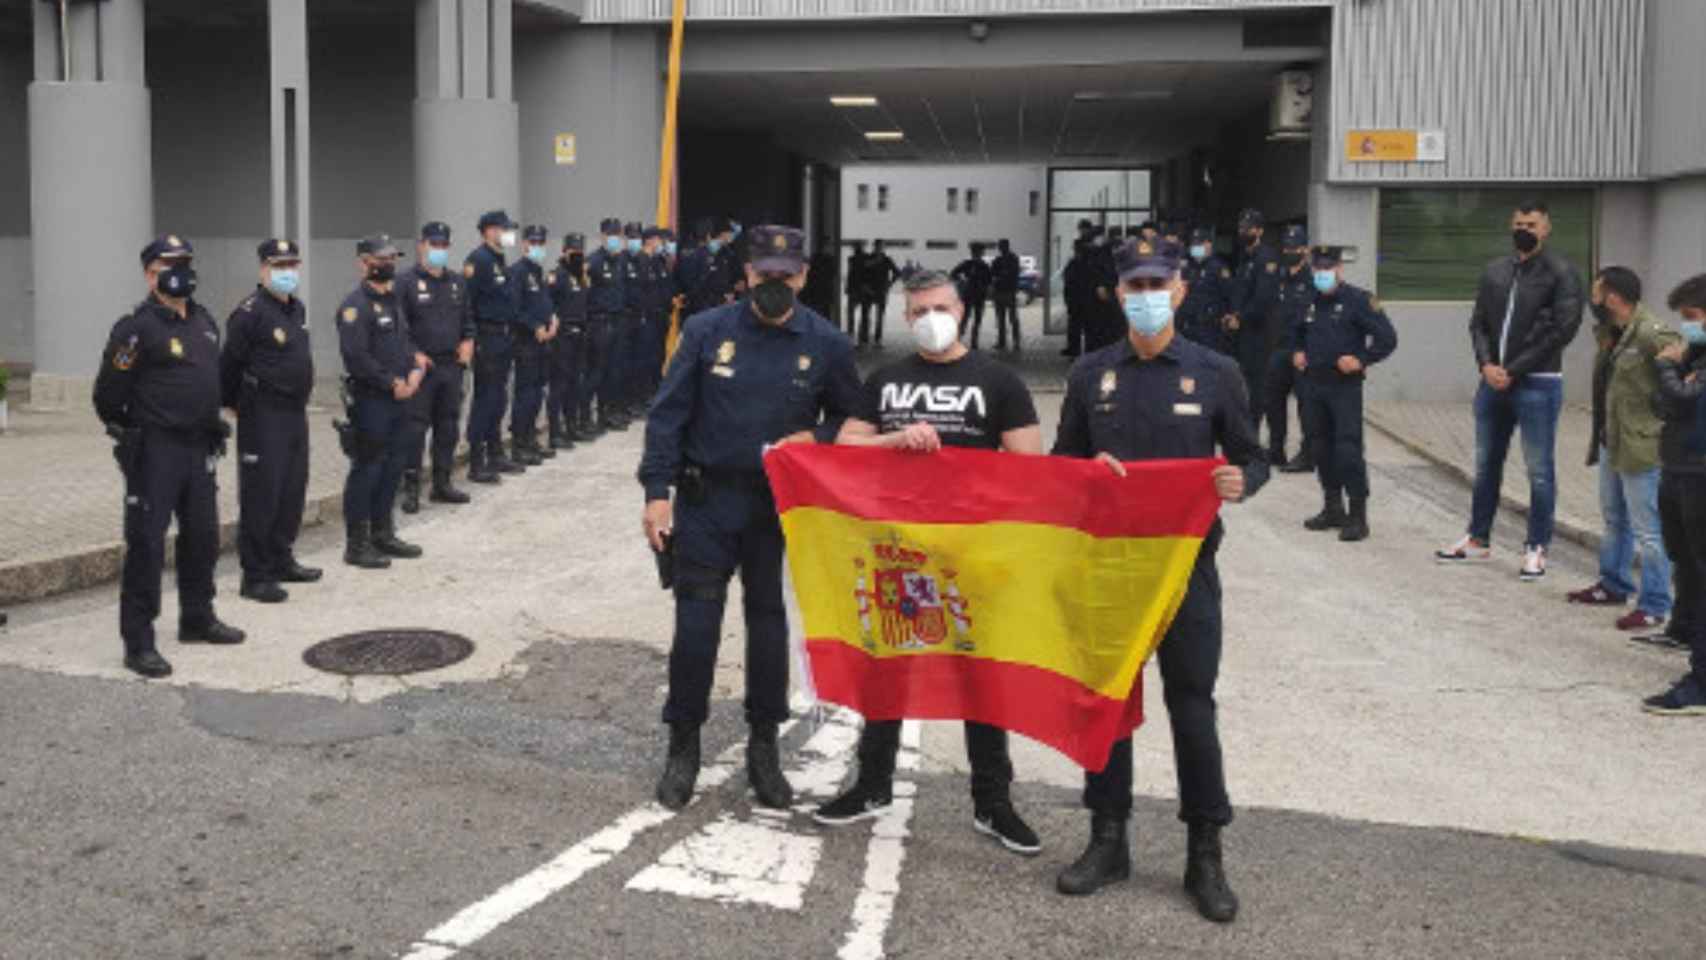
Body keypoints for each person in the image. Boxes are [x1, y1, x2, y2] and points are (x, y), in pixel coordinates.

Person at [1050, 237, 1267, 923]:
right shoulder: (1090, 374)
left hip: (1186, 571)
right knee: (1107, 704)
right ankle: (1107, 840)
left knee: (1193, 707)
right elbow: (1062, 464)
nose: (1145, 294)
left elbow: (1252, 456)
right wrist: (1088, 476)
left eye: (1158, 282)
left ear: (1180, 290)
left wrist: (1242, 480)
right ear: (1118, 293)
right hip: (1110, 570)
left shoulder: (1215, 372)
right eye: (1134, 283)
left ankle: (1205, 853)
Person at [812, 269, 1043, 855]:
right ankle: (871, 786)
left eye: (938, 306)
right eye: (917, 311)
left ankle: (994, 803)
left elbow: (1031, 468)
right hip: (899, 552)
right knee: (888, 666)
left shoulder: (998, 381)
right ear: (906, 318)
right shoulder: (887, 380)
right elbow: (845, 446)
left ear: (961, 310)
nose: (929, 318)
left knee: (981, 678)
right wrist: (894, 441)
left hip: (973, 556)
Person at [639, 225, 862, 812]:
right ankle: (682, 745)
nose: (775, 287)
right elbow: (668, 416)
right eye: (765, 276)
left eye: (786, 277)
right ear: (747, 274)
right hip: (707, 501)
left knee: (767, 628)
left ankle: (764, 747)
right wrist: (656, 492)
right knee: (696, 629)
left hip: (775, 509)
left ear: (804, 277)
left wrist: (815, 434)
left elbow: (852, 419)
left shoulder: (827, 343)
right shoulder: (707, 331)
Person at [95, 234, 246, 678]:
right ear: (150, 273)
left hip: (200, 447)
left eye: (185, 261)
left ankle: (197, 618)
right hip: (155, 451)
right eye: (169, 263)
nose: (179, 268)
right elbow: (107, 396)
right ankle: (138, 642)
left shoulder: (204, 321)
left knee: (202, 537)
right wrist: (135, 435)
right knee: (146, 544)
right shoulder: (135, 328)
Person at [1435, 200, 1585, 579]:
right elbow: (1478, 324)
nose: (1525, 228)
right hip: (1492, 383)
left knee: (1539, 470)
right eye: (1519, 222)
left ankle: (1536, 548)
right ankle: (1477, 539)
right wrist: (1486, 365)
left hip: (1537, 383)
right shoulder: (1495, 271)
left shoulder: (1561, 273)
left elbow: (1561, 330)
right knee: (1486, 465)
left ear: (1547, 228)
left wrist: (1513, 370)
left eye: (1532, 223)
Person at [1566, 267, 1677, 630]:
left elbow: (1683, 361)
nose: (1593, 301)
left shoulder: (1650, 332)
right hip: (1612, 442)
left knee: (1648, 530)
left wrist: (1663, 416)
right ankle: (1614, 584)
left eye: (1597, 293)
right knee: (1615, 520)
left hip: (1640, 447)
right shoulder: (1614, 333)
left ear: (1613, 297)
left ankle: (1656, 603)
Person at [220, 239, 320, 604]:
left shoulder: (297, 308)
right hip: (263, 413)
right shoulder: (248, 313)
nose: (287, 272)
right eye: (279, 266)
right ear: (263, 270)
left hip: (294, 412)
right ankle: (255, 574)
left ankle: (281, 558)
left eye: (292, 265)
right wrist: (231, 402)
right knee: (262, 493)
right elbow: (229, 364)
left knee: (292, 489)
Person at [1292, 246, 1399, 542]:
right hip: (1313, 384)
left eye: (1328, 269)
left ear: (1339, 269)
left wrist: (1361, 359)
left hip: (1343, 388)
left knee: (1348, 450)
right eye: (1317, 269)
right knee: (1320, 448)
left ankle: (1358, 515)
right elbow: (1296, 332)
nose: (1322, 274)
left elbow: (1387, 339)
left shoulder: (1359, 300)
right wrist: (1298, 351)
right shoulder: (1307, 300)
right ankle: (1332, 507)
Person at [338, 234, 429, 569]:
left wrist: (415, 373)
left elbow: (404, 345)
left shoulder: (394, 301)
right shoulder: (354, 306)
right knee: (368, 468)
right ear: (363, 262)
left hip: (402, 397)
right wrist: (391, 382)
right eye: (381, 259)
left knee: (393, 465)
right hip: (373, 400)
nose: (388, 265)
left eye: (392, 258)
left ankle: (383, 531)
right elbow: (356, 357)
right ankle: (357, 543)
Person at [1643, 274, 1706, 714]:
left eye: (1692, 317)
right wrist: (1673, 371)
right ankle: (1684, 631)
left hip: (1700, 472)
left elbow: (1683, 400)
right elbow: (1663, 403)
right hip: (1680, 467)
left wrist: (1668, 369)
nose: (1685, 327)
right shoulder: (1694, 353)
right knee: (1686, 562)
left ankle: (1700, 684)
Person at [396, 221, 474, 510]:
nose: (439, 250)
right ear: (421, 245)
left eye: (443, 245)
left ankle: (442, 483)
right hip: (421, 369)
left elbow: (468, 319)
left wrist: (468, 340)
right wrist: (413, 353)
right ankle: (411, 488)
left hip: (451, 366)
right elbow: (398, 328)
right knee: (415, 429)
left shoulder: (456, 282)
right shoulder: (405, 283)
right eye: (433, 244)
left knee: (448, 426)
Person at [464, 210, 524, 482]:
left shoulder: (499, 260)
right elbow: (468, 304)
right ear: (489, 230)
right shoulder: (478, 261)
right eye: (504, 229)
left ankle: (495, 452)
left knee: (499, 398)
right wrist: (472, 339)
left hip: (503, 336)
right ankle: (477, 461)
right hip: (486, 338)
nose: (508, 234)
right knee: (485, 399)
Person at [1266, 225, 1317, 472]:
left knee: (1305, 405)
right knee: (1273, 402)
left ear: (1305, 250)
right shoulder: (1279, 277)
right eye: (1286, 247)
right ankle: (1276, 451)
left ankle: (1308, 456)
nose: (1289, 251)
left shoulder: (1313, 281)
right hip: (1279, 349)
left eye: (1294, 248)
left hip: (1303, 352)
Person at [508, 224, 559, 466]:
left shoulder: (538, 272)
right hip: (526, 342)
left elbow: (544, 302)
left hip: (543, 342)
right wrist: (534, 326)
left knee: (537, 392)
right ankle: (519, 443)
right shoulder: (517, 272)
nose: (538, 247)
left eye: (541, 243)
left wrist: (552, 319)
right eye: (534, 242)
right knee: (525, 394)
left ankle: (530, 440)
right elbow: (514, 309)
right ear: (524, 244)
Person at [1224, 208, 1280, 430]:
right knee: (1241, 382)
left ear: (1260, 231)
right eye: (1241, 228)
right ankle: (1244, 427)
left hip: (1259, 333)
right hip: (1243, 332)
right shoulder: (1244, 258)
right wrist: (1232, 314)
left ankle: (1253, 431)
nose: (1244, 231)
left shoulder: (1266, 259)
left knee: (1256, 385)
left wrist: (1241, 318)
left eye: (1248, 228)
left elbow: (1263, 299)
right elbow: (1239, 293)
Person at [549, 232, 593, 449]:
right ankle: (555, 432)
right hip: (562, 336)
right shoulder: (557, 275)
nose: (577, 255)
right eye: (573, 252)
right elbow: (549, 305)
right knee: (560, 384)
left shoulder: (581, 276)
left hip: (580, 334)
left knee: (575, 382)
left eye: (580, 252)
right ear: (564, 252)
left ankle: (571, 426)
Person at [587, 217, 629, 432]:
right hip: (600, 321)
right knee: (598, 371)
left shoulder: (620, 260)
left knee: (615, 369)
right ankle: (590, 416)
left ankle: (609, 412)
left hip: (617, 319)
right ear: (603, 236)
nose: (615, 239)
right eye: (611, 235)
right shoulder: (593, 261)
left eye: (618, 235)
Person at [1178, 226, 1232, 354]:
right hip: (1189, 327)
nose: (1195, 247)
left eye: (1199, 243)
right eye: (1193, 243)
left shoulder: (1218, 268)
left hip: (1210, 329)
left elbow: (1228, 295)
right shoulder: (1188, 268)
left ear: (1209, 244)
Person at [951, 243, 993, 348]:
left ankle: (963, 340)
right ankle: (970, 341)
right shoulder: (981, 265)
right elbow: (989, 281)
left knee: (968, 318)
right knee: (972, 319)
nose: (979, 254)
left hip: (971, 294)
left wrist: (962, 281)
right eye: (979, 251)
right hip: (974, 294)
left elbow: (953, 273)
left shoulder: (971, 264)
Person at [864, 239, 900, 346]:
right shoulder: (868, 258)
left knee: (879, 316)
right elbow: (862, 272)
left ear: (883, 248)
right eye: (877, 246)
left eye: (881, 246)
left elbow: (897, 273)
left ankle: (878, 339)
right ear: (874, 246)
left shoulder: (887, 260)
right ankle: (864, 339)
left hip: (881, 291)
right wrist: (864, 285)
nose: (879, 248)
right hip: (868, 291)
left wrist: (889, 284)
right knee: (866, 316)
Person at [990, 239, 1021, 351]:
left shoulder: (1011, 259)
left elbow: (995, 274)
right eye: (1000, 246)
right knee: (1004, 319)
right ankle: (1005, 342)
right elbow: (992, 273)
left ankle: (1012, 342)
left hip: (1006, 291)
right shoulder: (1007, 259)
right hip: (1004, 291)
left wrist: (1001, 275)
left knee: (1009, 318)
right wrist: (1003, 274)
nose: (1001, 248)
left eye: (1002, 246)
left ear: (1006, 246)